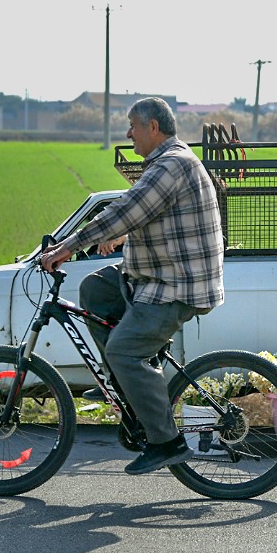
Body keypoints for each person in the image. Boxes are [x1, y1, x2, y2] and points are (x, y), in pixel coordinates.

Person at [40, 97, 225, 475]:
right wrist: (116, 237)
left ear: (152, 128)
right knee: (95, 289)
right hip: (152, 274)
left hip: (176, 286)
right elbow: (143, 214)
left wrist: (68, 247)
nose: (128, 133)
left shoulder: (172, 165)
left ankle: (167, 442)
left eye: (132, 126)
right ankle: (126, 387)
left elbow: (128, 210)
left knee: (125, 351)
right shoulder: (166, 162)